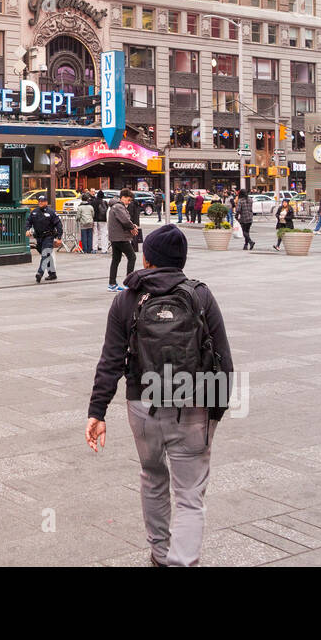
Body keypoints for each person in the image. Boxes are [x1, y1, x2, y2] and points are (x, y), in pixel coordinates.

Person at [85, 224, 234, 567]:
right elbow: (223, 359)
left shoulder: (127, 298)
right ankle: (182, 562)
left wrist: (97, 412)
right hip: (193, 402)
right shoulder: (200, 295)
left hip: (143, 403)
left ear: (148, 258)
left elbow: (110, 360)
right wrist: (215, 414)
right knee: (190, 494)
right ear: (181, 260)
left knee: (153, 477)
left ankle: (159, 553)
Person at [107, 189, 139, 292]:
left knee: (116, 259)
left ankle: (112, 284)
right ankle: (128, 284)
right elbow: (125, 220)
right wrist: (132, 227)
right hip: (121, 237)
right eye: (128, 200)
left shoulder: (114, 206)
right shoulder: (119, 207)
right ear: (123, 197)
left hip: (115, 237)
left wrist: (131, 226)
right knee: (132, 257)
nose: (129, 203)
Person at [27, 197, 63, 283]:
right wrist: (27, 229)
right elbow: (28, 221)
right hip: (39, 237)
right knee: (46, 256)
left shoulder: (51, 212)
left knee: (45, 254)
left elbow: (58, 225)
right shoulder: (35, 212)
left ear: (46, 202)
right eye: (39, 201)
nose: (40, 203)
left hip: (48, 236)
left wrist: (59, 237)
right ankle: (52, 273)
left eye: (42, 201)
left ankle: (40, 273)